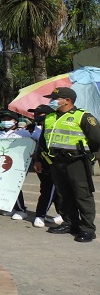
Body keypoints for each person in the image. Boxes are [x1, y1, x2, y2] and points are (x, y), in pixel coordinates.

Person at [38, 87, 100, 243]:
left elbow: (97, 140)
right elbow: (43, 141)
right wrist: (39, 159)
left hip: (77, 162)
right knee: (63, 194)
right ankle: (70, 223)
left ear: (67, 100)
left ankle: (87, 229)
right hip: (56, 162)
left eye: (54, 98)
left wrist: (91, 157)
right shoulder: (50, 117)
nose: (51, 101)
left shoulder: (83, 116)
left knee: (82, 194)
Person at [27, 105, 62, 228]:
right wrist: (37, 160)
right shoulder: (35, 128)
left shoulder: (55, 126)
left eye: (40, 114)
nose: (37, 116)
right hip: (40, 162)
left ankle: (40, 215)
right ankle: (62, 213)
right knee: (50, 189)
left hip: (54, 163)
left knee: (49, 190)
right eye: (35, 114)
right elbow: (39, 146)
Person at [0, 110, 30, 220]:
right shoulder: (0, 133)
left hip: (17, 163)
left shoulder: (22, 133)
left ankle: (21, 210)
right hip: (3, 163)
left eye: (8, 119)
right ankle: (10, 207)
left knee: (15, 186)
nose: (5, 121)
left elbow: (29, 146)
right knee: (4, 185)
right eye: (3, 120)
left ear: (15, 121)